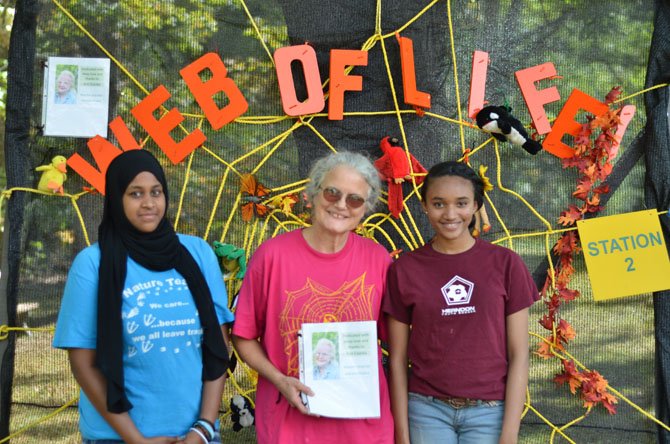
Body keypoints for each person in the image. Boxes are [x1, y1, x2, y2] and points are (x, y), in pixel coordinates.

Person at [53, 149, 233, 444]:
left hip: (196, 436)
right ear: (116, 198)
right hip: (117, 437)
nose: (149, 203)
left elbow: (218, 346)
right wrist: (136, 440)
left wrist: (203, 428)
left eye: (156, 192)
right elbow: (83, 364)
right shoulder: (92, 264)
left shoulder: (198, 254)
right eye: (135, 194)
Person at [232, 151, 394, 444]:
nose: (341, 205)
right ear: (313, 193)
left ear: (366, 208)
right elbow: (243, 336)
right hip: (289, 427)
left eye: (355, 199)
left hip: (364, 428)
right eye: (332, 193)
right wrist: (280, 381)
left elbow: (397, 341)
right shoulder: (272, 256)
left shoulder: (379, 260)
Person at [383, 161, 539, 444]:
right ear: (424, 205)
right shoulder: (404, 269)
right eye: (439, 203)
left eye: (462, 203)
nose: (450, 214)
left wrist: (509, 433)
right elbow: (397, 359)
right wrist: (402, 434)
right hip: (426, 410)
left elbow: (519, 355)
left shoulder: (505, 264)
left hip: (489, 411)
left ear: (476, 205)